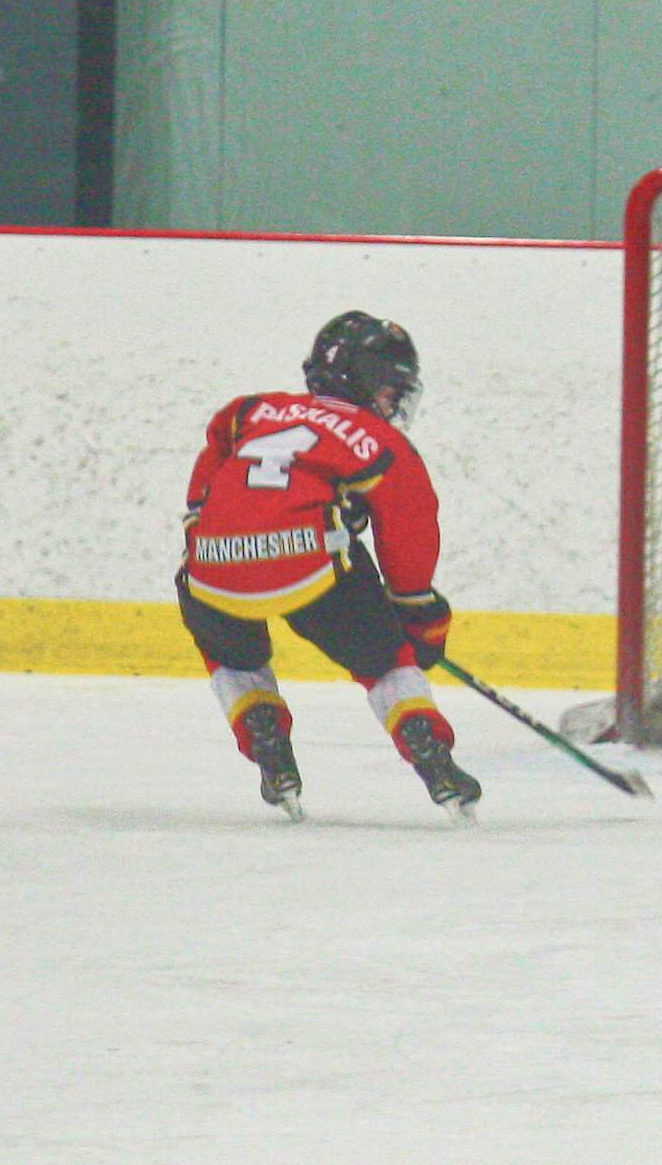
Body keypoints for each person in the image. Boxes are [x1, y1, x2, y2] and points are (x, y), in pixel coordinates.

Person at [176, 311, 480, 822]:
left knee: (231, 651)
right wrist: (417, 612)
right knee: (386, 661)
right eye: (389, 389)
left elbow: (218, 440)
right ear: (363, 380)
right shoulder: (380, 440)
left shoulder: (252, 410)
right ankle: (428, 746)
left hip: (211, 569)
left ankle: (265, 736)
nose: (393, 402)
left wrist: (197, 518)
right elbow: (409, 526)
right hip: (311, 570)